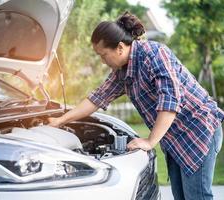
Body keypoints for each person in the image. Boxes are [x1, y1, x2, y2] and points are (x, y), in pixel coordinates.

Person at [48, 11, 224, 200]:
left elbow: (170, 102)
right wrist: (60, 120)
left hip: (197, 131)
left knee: (197, 197)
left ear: (120, 48)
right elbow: (96, 98)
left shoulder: (155, 54)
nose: (102, 61)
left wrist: (149, 141)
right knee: (180, 196)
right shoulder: (122, 72)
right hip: (173, 138)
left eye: (104, 55)